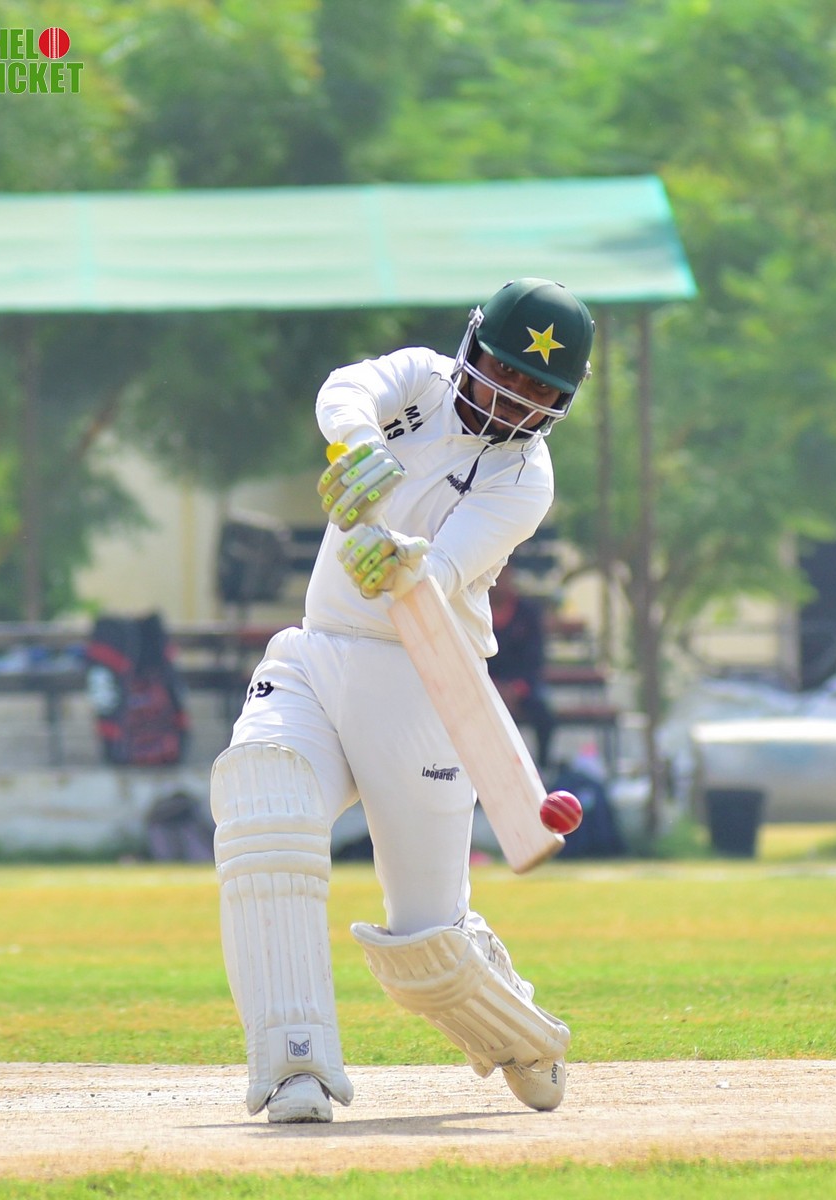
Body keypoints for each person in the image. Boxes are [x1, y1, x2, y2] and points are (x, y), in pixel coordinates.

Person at [209, 279, 595, 1124]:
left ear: (559, 404)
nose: (511, 395)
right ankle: (294, 1067)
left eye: (535, 389)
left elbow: (444, 571)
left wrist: (401, 561)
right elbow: (345, 388)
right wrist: (355, 450)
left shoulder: (524, 481)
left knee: (425, 944)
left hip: (422, 681)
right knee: (262, 808)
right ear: (473, 348)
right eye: (504, 369)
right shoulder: (419, 377)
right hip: (316, 652)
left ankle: (522, 1034)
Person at [487, 563, 557, 770]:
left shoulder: (528, 613)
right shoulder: (476, 610)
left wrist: (516, 689)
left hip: (522, 687)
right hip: (485, 685)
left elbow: (535, 660)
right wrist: (493, 688)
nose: (499, 580)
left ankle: (543, 768)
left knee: (544, 715)